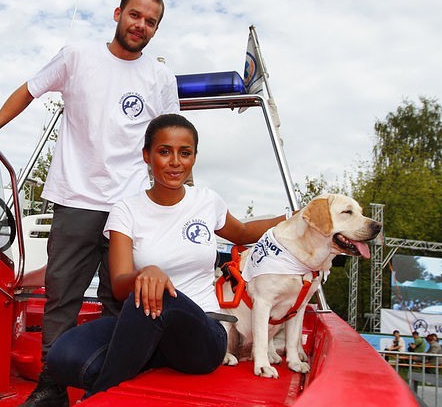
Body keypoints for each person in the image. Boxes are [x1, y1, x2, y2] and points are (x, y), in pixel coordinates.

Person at [0, 0, 180, 407]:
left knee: (124, 300)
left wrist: (175, 194)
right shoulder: (77, 56)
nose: (141, 25)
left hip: (131, 206)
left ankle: (113, 384)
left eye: (150, 22)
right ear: (118, 13)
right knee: (62, 296)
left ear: (156, 29)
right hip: (76, 197)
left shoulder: (160, 77)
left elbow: (169, 135)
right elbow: (29, 89)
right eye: (135, 15)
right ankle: (52, 385)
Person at [46, 114, 290, 400]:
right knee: (62, 356)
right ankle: (142, 361)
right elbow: (121, 284)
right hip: (144, 324)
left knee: (158, 295)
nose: (175, 161)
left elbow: (244, 231)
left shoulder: (207, 201)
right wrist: (144, 273)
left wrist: (292, 218)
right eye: (164, 152)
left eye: (184, 153)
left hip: (203, 333)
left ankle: (98, 397)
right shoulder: (126, 210)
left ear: (194, 158)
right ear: (147, 156)